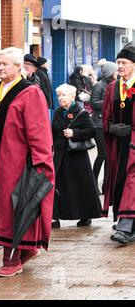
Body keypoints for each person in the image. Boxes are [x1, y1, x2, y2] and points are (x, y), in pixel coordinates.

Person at [0, 47, 55, 277]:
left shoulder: (30, 92)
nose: (0, 68)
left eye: (5, 64)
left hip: (18, 163)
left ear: (19, 67)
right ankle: (27, 248)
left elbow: (39, 131)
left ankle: (13, 258)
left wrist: (41, 163)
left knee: (14, 207)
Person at [51, 84, 102, 229]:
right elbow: (53, 131)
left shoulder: (80, 112)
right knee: (58, 186)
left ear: (72, 97)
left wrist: (75, 134)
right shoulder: (58, 112)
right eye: (59, 95)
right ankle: (55, 217)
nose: (60, 98)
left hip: (77, 157)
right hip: (60, 156)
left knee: (80, 187)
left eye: (63, 95)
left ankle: (85, 215)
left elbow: (91, 130)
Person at [102, 42, 135, 245]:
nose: (119, 66)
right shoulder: (113, 88)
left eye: (123, 62)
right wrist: (111, 128)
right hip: (119, 147)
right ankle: (129, 226)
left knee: (132, 182)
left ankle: (124, 226)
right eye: (118, 62)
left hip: (133, 146)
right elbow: (106, 119)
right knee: (122, 184)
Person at [90, 61, 118, 193]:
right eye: (115, 71)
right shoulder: (99, 86)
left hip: (108, 124)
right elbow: (93, 104)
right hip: (98, 125)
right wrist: (109, 99)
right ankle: (92, 183)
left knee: (109, 157)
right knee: (102, 155)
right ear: (109, 73)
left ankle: (106, 186)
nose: (117, 73)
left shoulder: (114, 85)